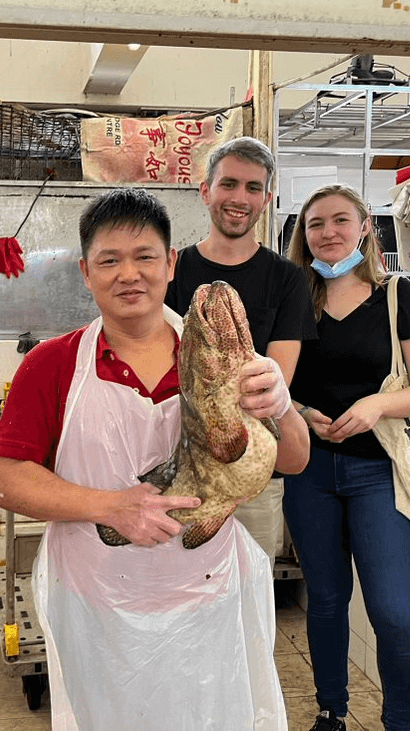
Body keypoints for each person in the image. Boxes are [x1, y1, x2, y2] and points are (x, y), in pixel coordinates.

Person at [0, 187, 309, 730]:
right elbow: (2, 482)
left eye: (144, 257)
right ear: (86, 272)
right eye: (109, 261)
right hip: (99, 604)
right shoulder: (53, 365)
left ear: (171, 264)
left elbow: (294, 460)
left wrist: (284, 408)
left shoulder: (224, 357)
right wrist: (112, 507)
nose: (128, 274)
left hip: (207, 594)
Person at [284, 184, 410, 731]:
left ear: (365, 228)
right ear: (302, 237)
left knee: (396, 616)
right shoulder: (294, 303)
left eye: (340, 221)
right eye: (315, 225)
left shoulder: (398, 297)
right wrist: (302, 411)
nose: (328, 233)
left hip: (381, 472)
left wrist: (378, 404)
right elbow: (272, 384)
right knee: (325, 602)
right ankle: (331, 710)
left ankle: (400, 722)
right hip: (309, 473)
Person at [165, 135, 317, 559]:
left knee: (247, 603)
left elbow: (274, 386)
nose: (239, 197)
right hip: (179, 463)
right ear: (205, 191)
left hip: (253, 480)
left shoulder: (288, 279)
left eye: (253, 188)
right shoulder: (172, 269)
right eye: (228, 184)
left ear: (267, 198)